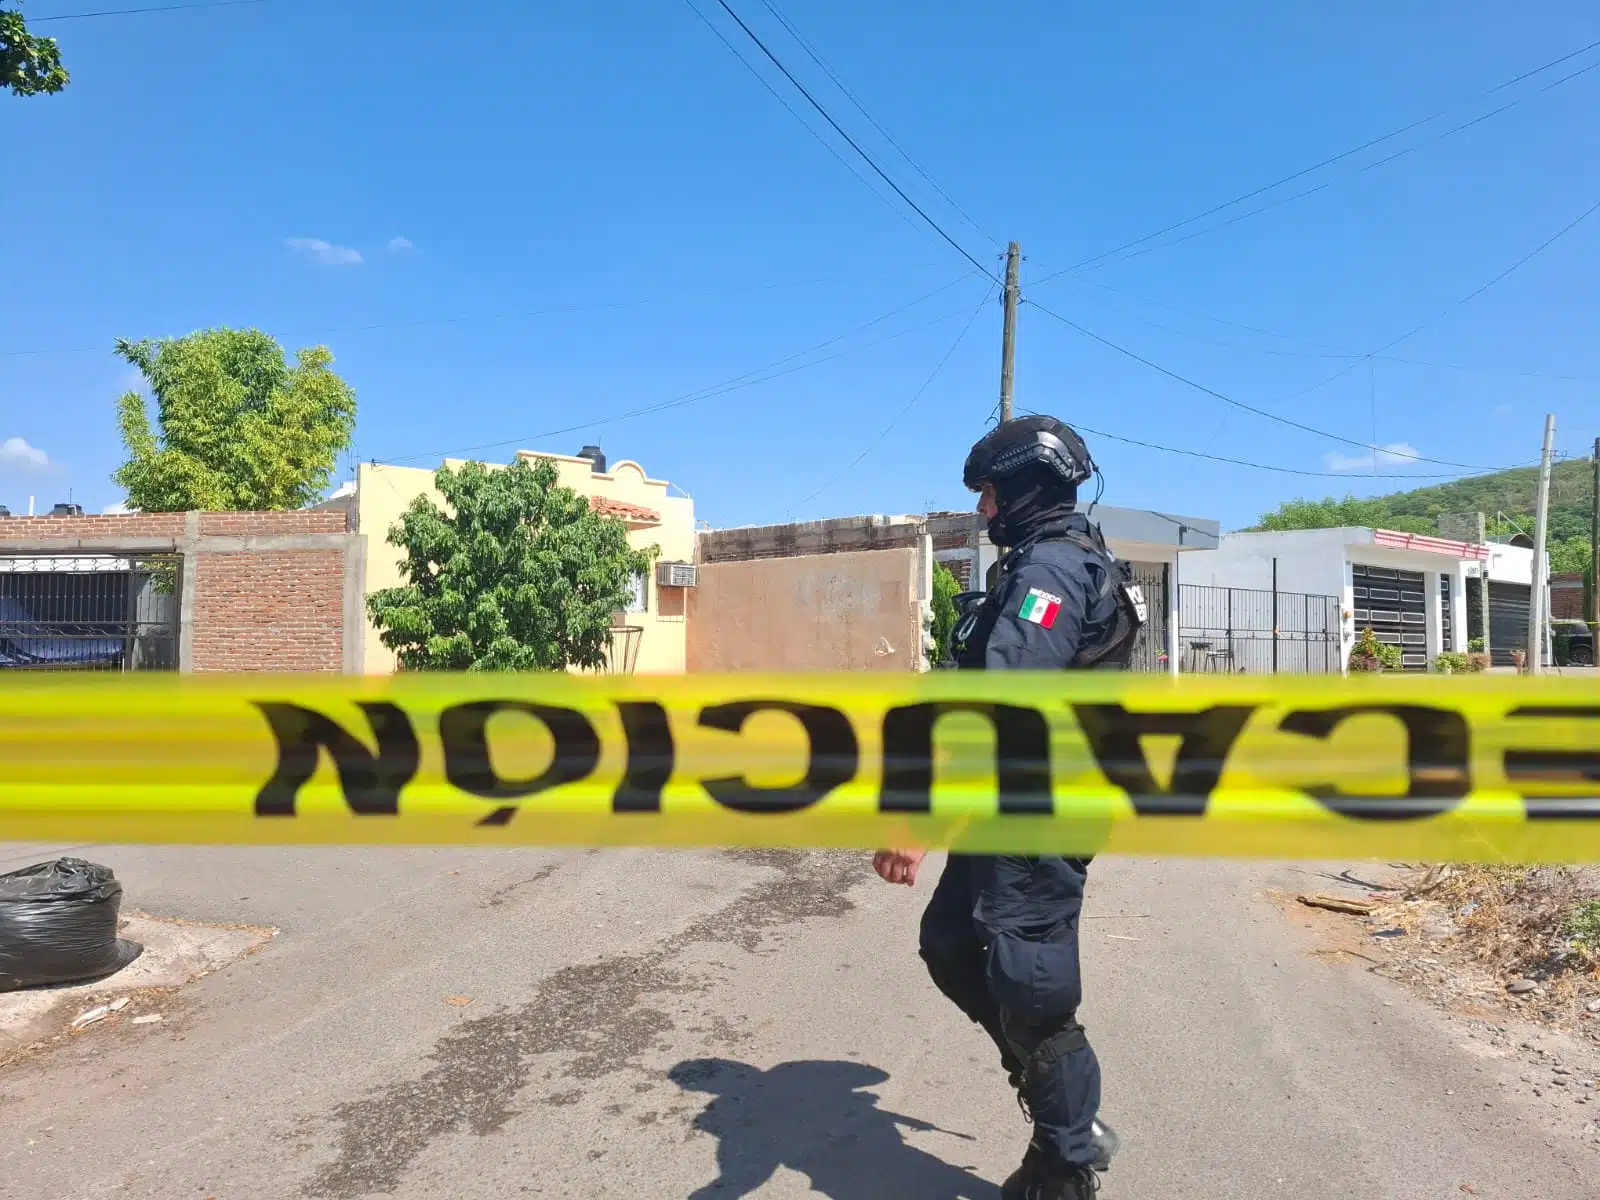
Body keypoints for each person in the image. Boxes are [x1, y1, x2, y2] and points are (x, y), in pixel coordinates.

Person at [873, 415, 1144, 1200]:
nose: (983, 509)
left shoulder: (1052, 574)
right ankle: (1052, 1088)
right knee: (953, 943)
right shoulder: (1040, 565)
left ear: (1026, 487)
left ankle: (1066, 1159)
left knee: (1031, 986)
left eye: (989, 493)